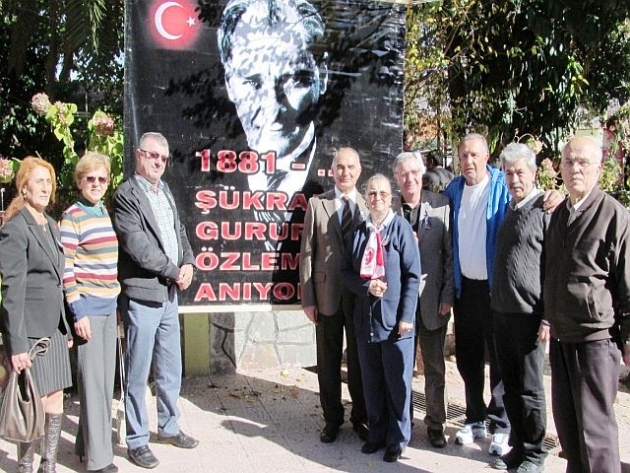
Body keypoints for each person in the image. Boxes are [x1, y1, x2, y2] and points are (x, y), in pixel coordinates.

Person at [544, 136, 630, 473]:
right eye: (568, 162)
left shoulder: (613, 215)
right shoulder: (560, 214)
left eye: (582, 162)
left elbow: (627, 281)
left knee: (596, 434)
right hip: (562, 336)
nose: (575, 168)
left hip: (596, 340)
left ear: (598, 168)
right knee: (569, 430)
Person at [113, 132, 198, 469]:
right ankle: (136, 440)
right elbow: (138, 246)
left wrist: (188, 262)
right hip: (143, 294)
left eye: (163, 158)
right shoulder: (126, 195)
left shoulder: (164, 191)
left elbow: (179, 232)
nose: (159, 163)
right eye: (153, 156)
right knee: (137, 371)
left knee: (170, 366)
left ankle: (168, 426)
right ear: (139, 155)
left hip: (169, 294)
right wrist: (174, 271)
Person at [0, 157, 73, 473]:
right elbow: (12, 293)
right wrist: (16, 346)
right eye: (39, 181)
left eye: (49, 182)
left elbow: (57, 281)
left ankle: (49, 465)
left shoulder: (52, 225)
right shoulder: (16, 229)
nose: (45, 187)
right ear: (24, 187)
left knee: (55, 399)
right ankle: (26, 466)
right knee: (32, 400)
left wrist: (65, 327)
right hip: (29, 332)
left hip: (53, 329)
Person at [341, 174, 420, 463]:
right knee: (372, 382)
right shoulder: (359, 231)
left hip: (396, 321)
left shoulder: (400, 229)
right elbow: (346, 273)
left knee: (396, 384)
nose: (377, 198)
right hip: (367, 322)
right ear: (366, 198)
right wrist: (366, 287)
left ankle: (397, 439)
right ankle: (376, 433)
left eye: (383, 194)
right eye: (372, 194)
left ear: (391, 198)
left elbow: (413, 276)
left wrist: (407, 316)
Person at [217, 0, 328, 203]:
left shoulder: (345, 172)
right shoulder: (207, 176)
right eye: (253, 82)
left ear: (322, 75)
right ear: (229, 84)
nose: (272, 109)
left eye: (292, 80)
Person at [443, 133, 512, 455]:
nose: (468, 161)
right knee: (468, 356)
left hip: (494, 289)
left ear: (486, 156)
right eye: (463, 156)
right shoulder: (454, 190)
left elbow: (530, 199)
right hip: (465, 288)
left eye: (474, 155)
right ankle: (474, 418)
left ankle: (501, 424)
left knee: (499, 357)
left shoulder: (502, 186)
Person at [299, 147, 368, 443]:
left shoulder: (369, 205)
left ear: (359, 171)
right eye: (340, 167)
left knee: (359, 361)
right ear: (332, 171)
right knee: (327, 361)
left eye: (351, 167)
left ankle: (361, 417)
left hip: (359, 296)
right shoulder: (318, 205)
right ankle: (331, 419)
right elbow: (307, 253)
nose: (345, 172)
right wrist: (308, 299)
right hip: (326, 294)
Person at [490, 143, 550, 473]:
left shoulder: (545, 210)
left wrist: (548, 318)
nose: (514, 179)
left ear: (534, 173)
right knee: (510, 387)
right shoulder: (511, 209)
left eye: (520, 172)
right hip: (502, 312)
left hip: (530, 316)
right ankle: (518, 446)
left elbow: (553, 268)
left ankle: (535, 454)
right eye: (509, 173)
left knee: (530, 389)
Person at [60, 152, 120, 473]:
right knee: (94, 386)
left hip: (109, 307)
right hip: (89, 311)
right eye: (90, 178)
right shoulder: (73, 216)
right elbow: (66, 269)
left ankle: (85, 447)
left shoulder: (102, 211)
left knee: (103, 384)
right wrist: (78, 312)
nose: (96, 184)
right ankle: (99, 462)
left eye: (102, 178)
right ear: (80, 181)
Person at [392, 152, 453, 449]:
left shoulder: (442, 205)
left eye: (414, 173)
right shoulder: (389, 208)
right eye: (403, 174)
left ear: (422, 174)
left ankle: (436, 424)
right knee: (401, 367)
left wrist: (447, 295)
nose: (410, 179)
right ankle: (402, 424)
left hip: (432, 300)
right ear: (396, 178)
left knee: (434, 368)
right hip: (399, 304)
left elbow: (450, 255)